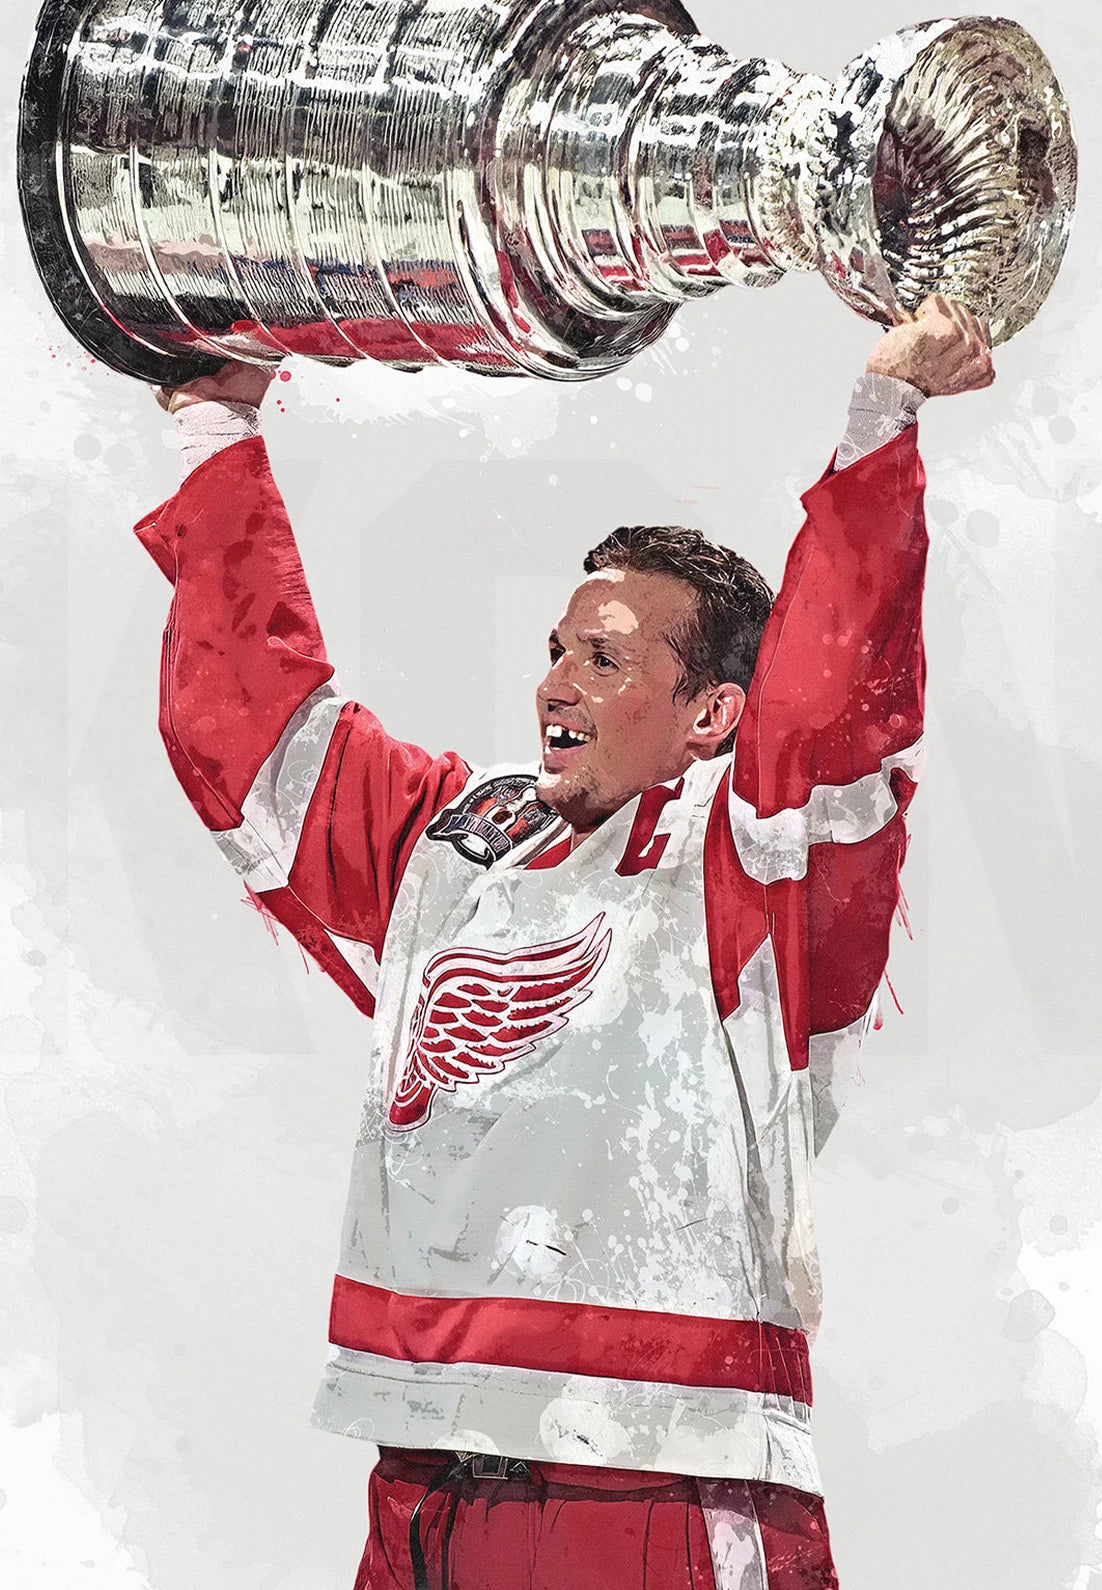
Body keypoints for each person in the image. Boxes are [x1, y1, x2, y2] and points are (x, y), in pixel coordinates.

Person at [136, 296, 993, 1590]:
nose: (554, 682)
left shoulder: (751, 867)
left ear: (713, 712)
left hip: (654, 1497)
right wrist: (217, 419)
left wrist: (880, 416)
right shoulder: (461, 831)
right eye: (553, 650)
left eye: (604, 656)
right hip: (422, 1486)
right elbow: (256, 738)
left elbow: (829, 718)